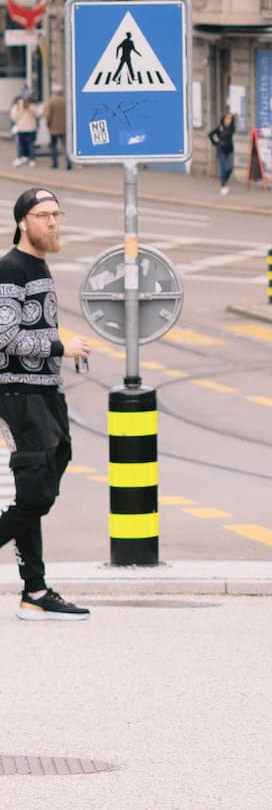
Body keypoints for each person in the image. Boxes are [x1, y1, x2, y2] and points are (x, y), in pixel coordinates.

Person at [0, 188, 90, 620]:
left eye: (57, 214)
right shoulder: (10, 270)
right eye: (43, 215)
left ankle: (33, 591)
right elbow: (4, 338)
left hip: (44, 390)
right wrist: (60, 344)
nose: (53, 222)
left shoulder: (38, 266)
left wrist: (59, 346)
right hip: (19, 392)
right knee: (36, 494)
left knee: (36, 490)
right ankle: (34, 589)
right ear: (23, 222)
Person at [209, 108, 238, 195]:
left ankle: (224, 181)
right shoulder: (220, 128)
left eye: (230, 118)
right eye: (227, 118)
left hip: (230, 149)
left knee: (230, 167)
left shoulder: (232, 128)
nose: (229, 120)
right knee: (223, 168)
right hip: (221, 150)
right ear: (224, 119)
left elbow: (231, 133)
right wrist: (215, 143)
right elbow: (210, 134)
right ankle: (223, 185)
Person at [41, 91, 68, 170]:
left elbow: (48, 114)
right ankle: (68, 162)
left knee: (53, 146)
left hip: (54, 127)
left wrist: (48, 124)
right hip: (64, 127)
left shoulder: (51, 101)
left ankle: (54, 163)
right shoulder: (65, 101)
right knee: (65, 145)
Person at [9, 92, 37, 166]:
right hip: (31, 128)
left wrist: (18, 121)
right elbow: (38, 114)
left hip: (21, 128)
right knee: (31, 144)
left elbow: (13, 116)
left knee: (21, 144)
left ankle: (20, 157)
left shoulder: (17, 105)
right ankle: (32, 159)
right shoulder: (31, 105)